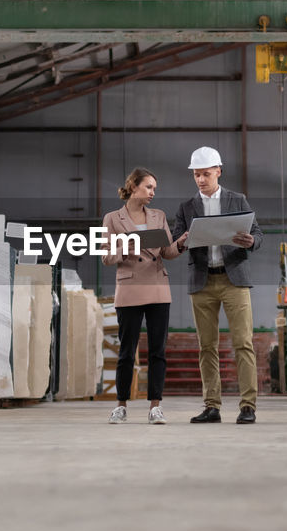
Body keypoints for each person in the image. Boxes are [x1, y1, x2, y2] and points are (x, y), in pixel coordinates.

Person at [171, 147, 263, 424]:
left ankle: (248, 406)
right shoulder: (186, 208)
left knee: (243, 343)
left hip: (234, 280)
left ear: (218, 171)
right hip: (202, 281)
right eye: (196, 175)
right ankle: (212, 406)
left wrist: (252, 241)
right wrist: (183, 240)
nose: (200, 179)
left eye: (206, 174)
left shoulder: (238, 200)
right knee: (206, 346)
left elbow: (258, 234)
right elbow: (175, 243)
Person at [101, 167, 186, 425]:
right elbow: (105, 257)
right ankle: (121, 405)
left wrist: (181, 243)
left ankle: (155, 407)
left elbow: (167, 252)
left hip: (158, 288)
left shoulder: (158, 216)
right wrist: (125, 246)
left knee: (158, 351)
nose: (152, 193)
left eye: (154, 189)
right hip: (129, 288)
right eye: (148, 187)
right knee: (127, 351)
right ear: (133, 186)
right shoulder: (113, 218)